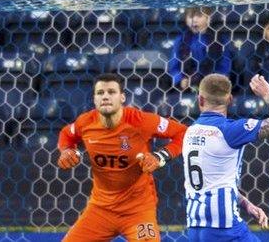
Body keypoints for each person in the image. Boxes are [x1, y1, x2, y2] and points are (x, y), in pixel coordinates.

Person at [57, 73, 187, 241]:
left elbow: (183, 132)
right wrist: (66, 150)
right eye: (100, 93)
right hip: (100, 210)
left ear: (123, 97)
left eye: (111, 92)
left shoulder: (141, 121)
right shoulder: (85, 122)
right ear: (94, 99)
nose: (105, 97)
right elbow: (67, 133)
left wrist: (160, 156)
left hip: (138, 211)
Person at [182, 74, 269, 241]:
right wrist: (267, 93)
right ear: (231, 100)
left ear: (200, 100)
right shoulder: (229, 130)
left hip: (195, 226)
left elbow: (213, 180)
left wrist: (245, 204)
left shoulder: (190, 132)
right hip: (224, 226)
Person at [169, 7, 233, 91]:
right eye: (191, 17)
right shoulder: (180, 40)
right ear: (185, 19)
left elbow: (225, 64)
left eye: (199, 16)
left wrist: (218, 80)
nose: (194, 20)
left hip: (213, 87)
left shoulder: (220, 40)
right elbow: (174, 64)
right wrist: (179, 79)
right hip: (187, 87)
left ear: (209, 18)